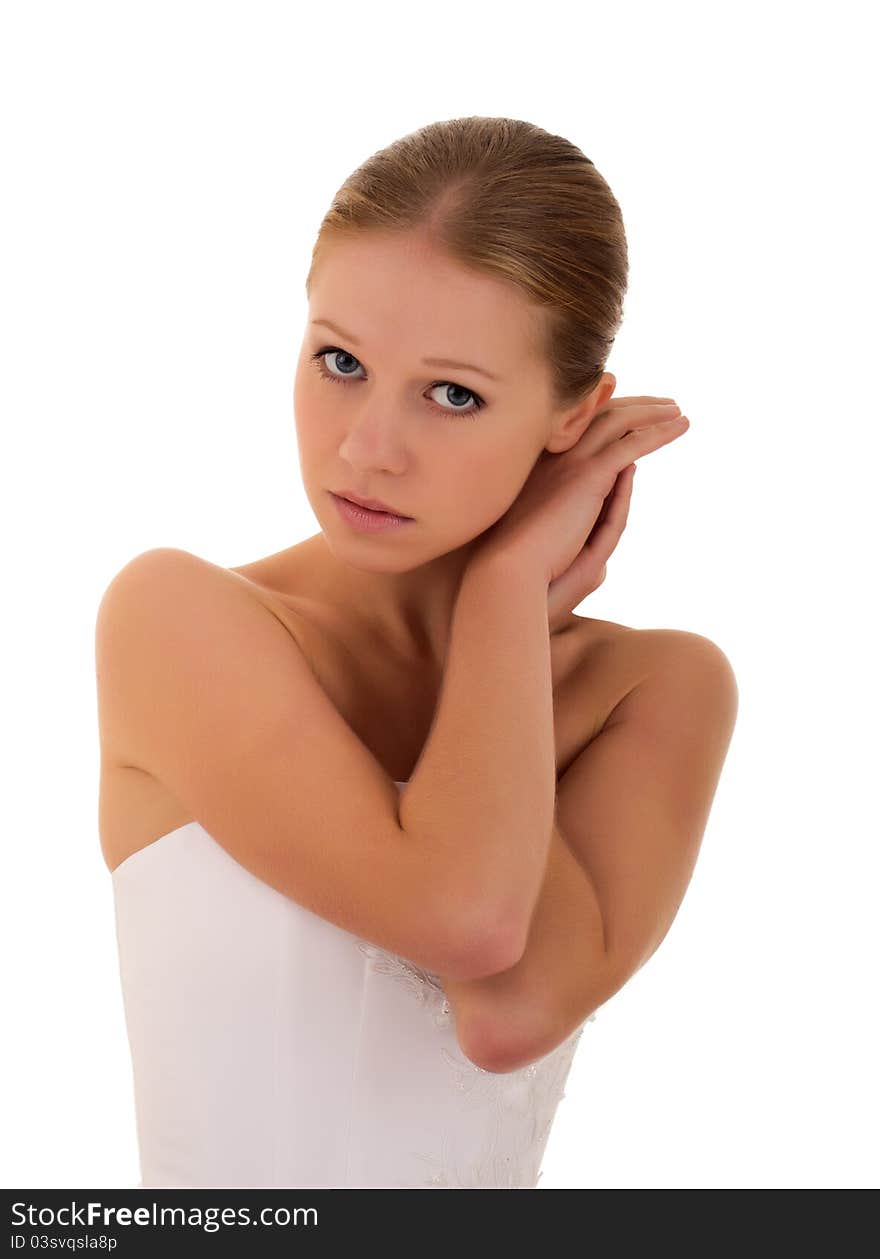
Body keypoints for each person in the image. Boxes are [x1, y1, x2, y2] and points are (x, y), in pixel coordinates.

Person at [96, 115, 738, 1189]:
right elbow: (462, 912)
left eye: (453, 394)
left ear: (573, 418)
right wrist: (505, 596)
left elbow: (507, 1009)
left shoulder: (655, 689)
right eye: (339, 360)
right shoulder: (179, 618)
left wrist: (498, 604)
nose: (365, 449)